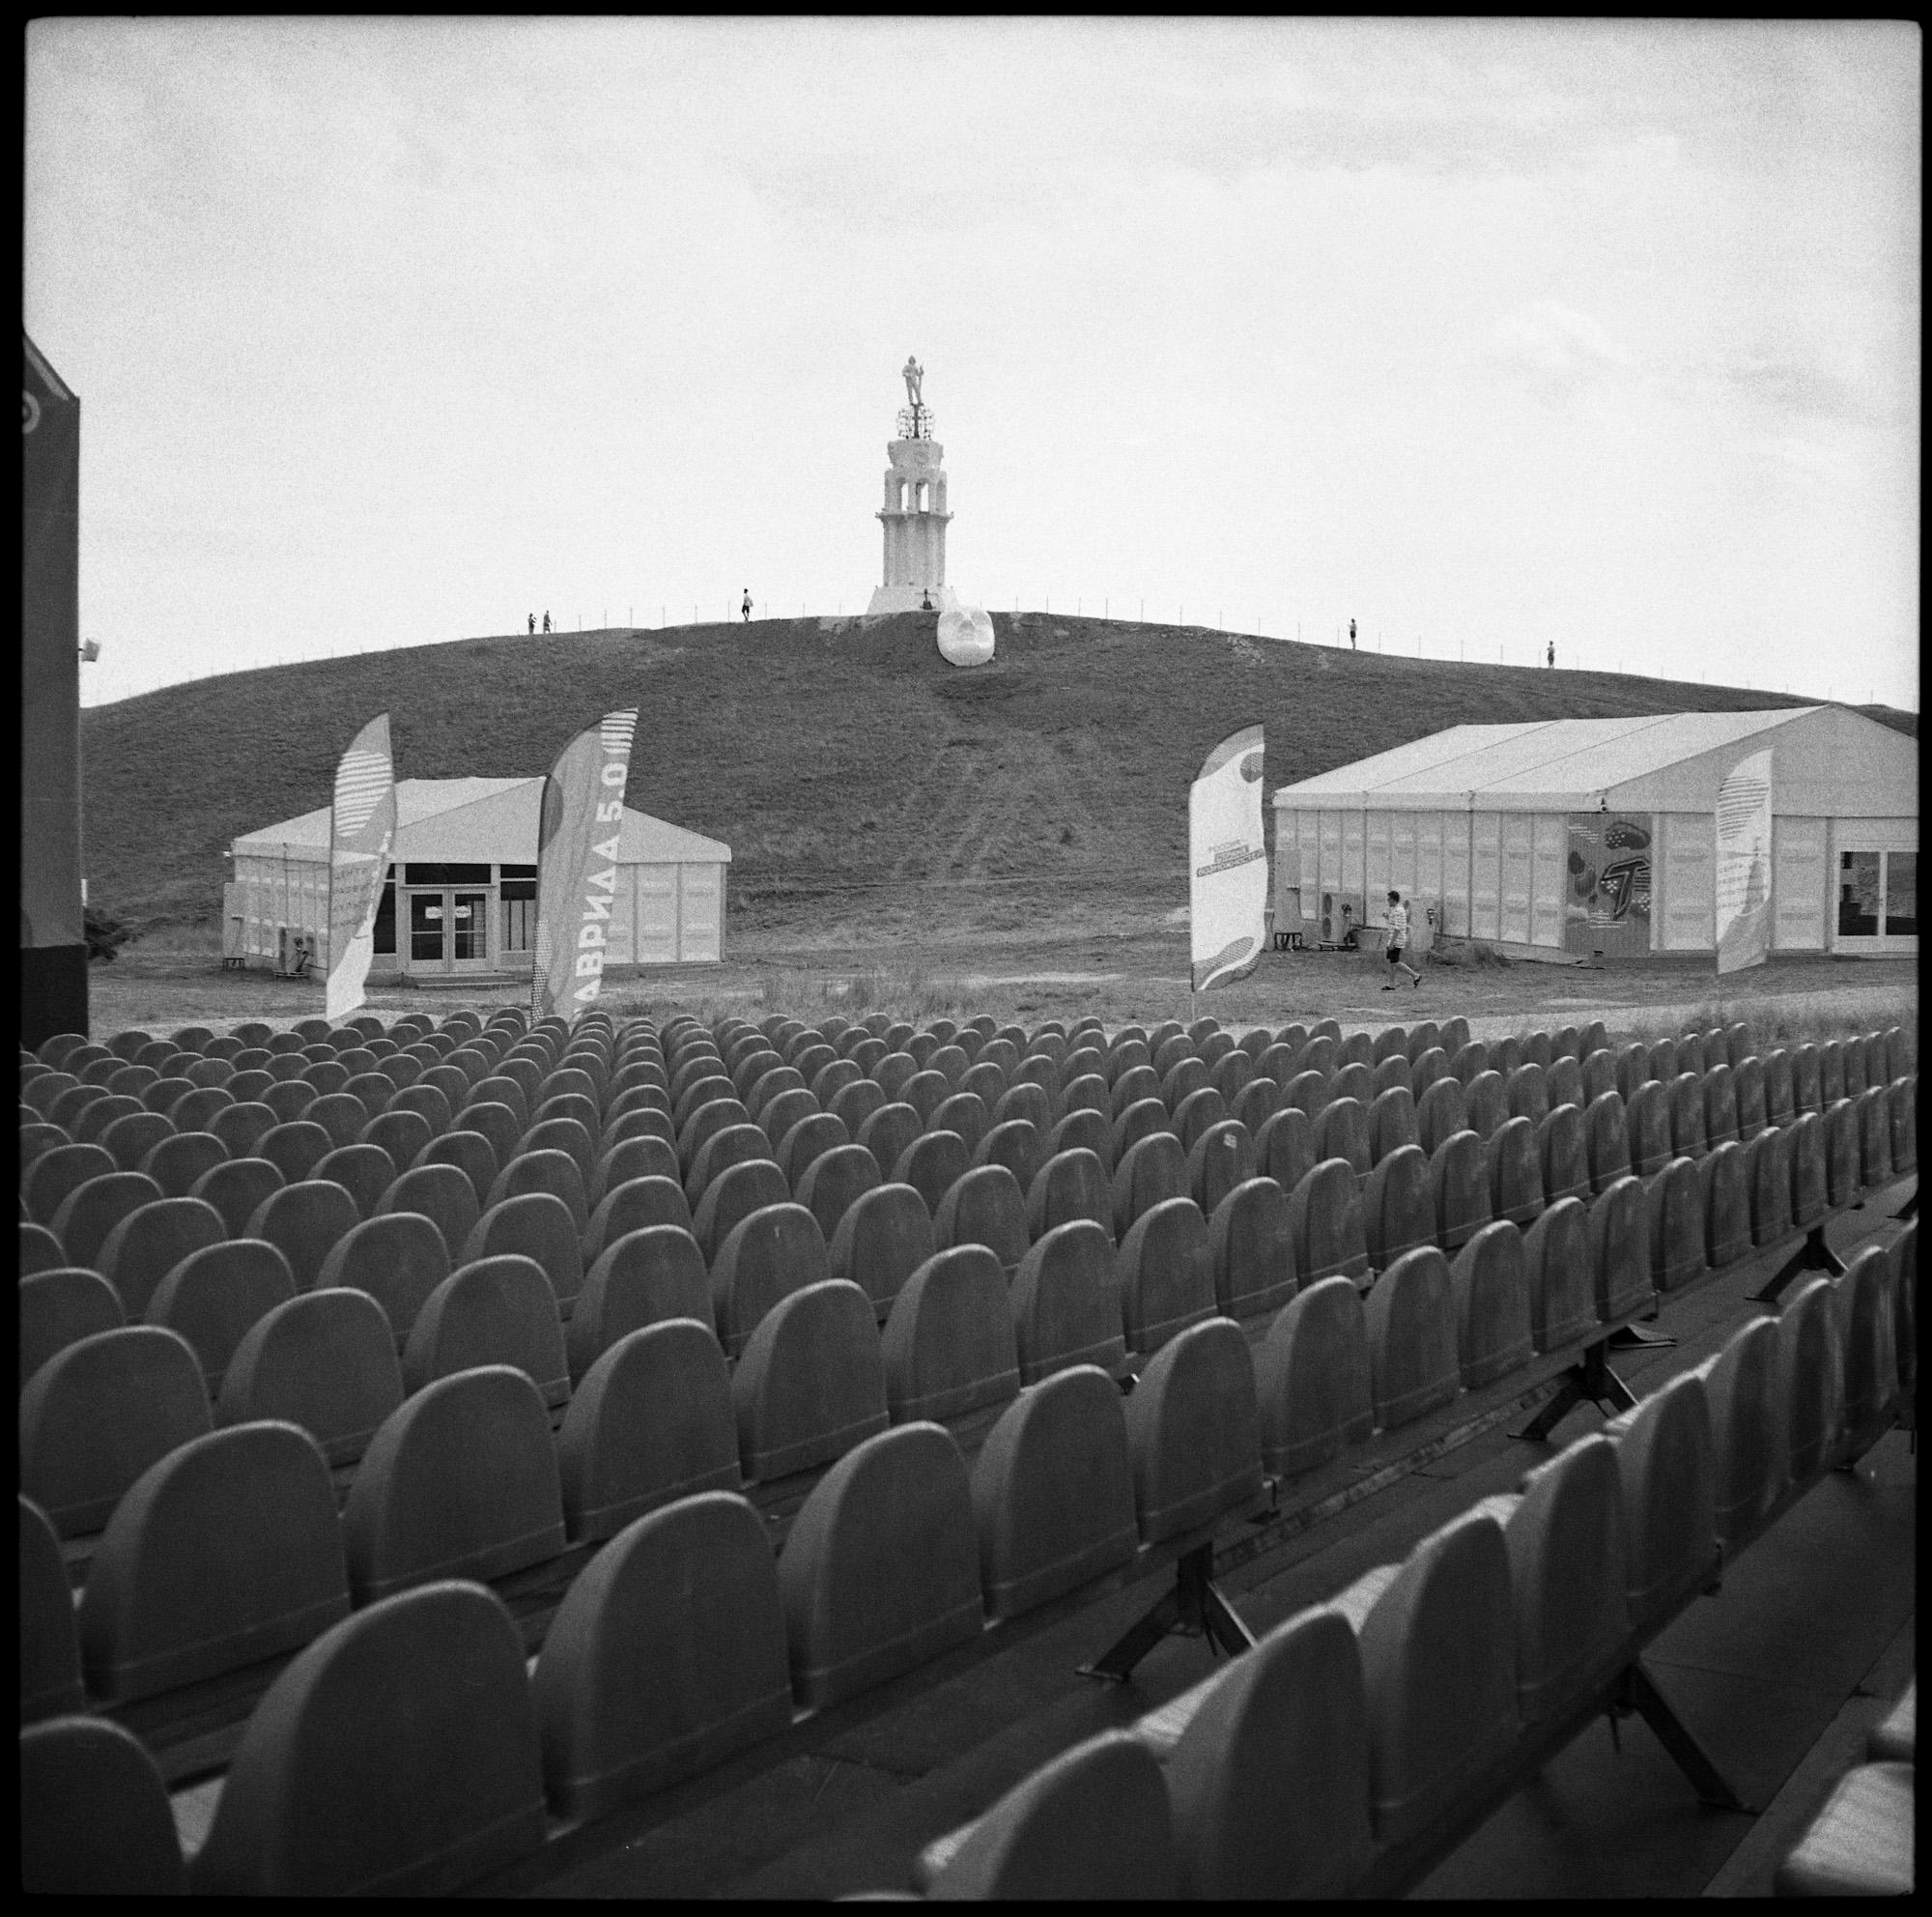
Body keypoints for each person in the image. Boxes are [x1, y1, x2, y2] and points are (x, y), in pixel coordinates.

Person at [1381, 889, 1422, 989]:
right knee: (1392, 962)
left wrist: (1392, 943)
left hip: (1396, 939)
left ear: (1393, 900)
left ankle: (1415, 975)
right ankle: (1391, 984)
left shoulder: (1398, 911)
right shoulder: (1397, 910)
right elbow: (1395, 922)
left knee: (1395, 961)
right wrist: (1387, 917)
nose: (1388, 901)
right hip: (1395, 938)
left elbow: (1398, 928)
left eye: (1389, 899)